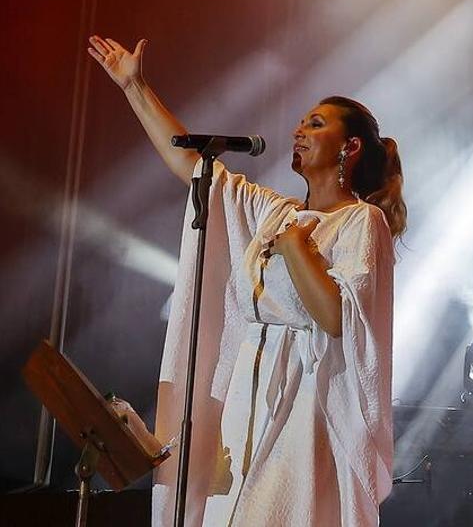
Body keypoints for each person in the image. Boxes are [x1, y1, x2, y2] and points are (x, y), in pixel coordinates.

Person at [87, 35, 405, 526]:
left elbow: (334, 317)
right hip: (242, 411)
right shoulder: (273, 212)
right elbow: (195, 169)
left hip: (302, 414)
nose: (299, 130)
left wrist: (298, 247)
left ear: (351, 147)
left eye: (316, 124)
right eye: (300, 121)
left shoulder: (362, 222)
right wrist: (134, 87)